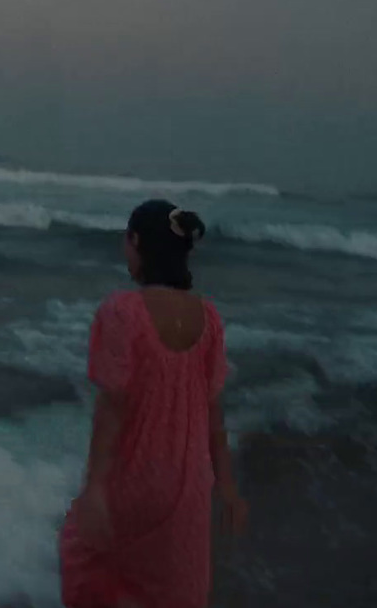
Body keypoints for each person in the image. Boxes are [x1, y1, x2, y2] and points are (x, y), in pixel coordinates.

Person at [60, 200, 248, 608]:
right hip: (189, 486)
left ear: (137, 242)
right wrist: (227, 487)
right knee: (170, 590)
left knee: (83, 561)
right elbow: (214, 411)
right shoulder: (210, 318)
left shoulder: (122, 312)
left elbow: (112, 407)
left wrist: (94, 487)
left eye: (126, 241)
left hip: (135, 479)